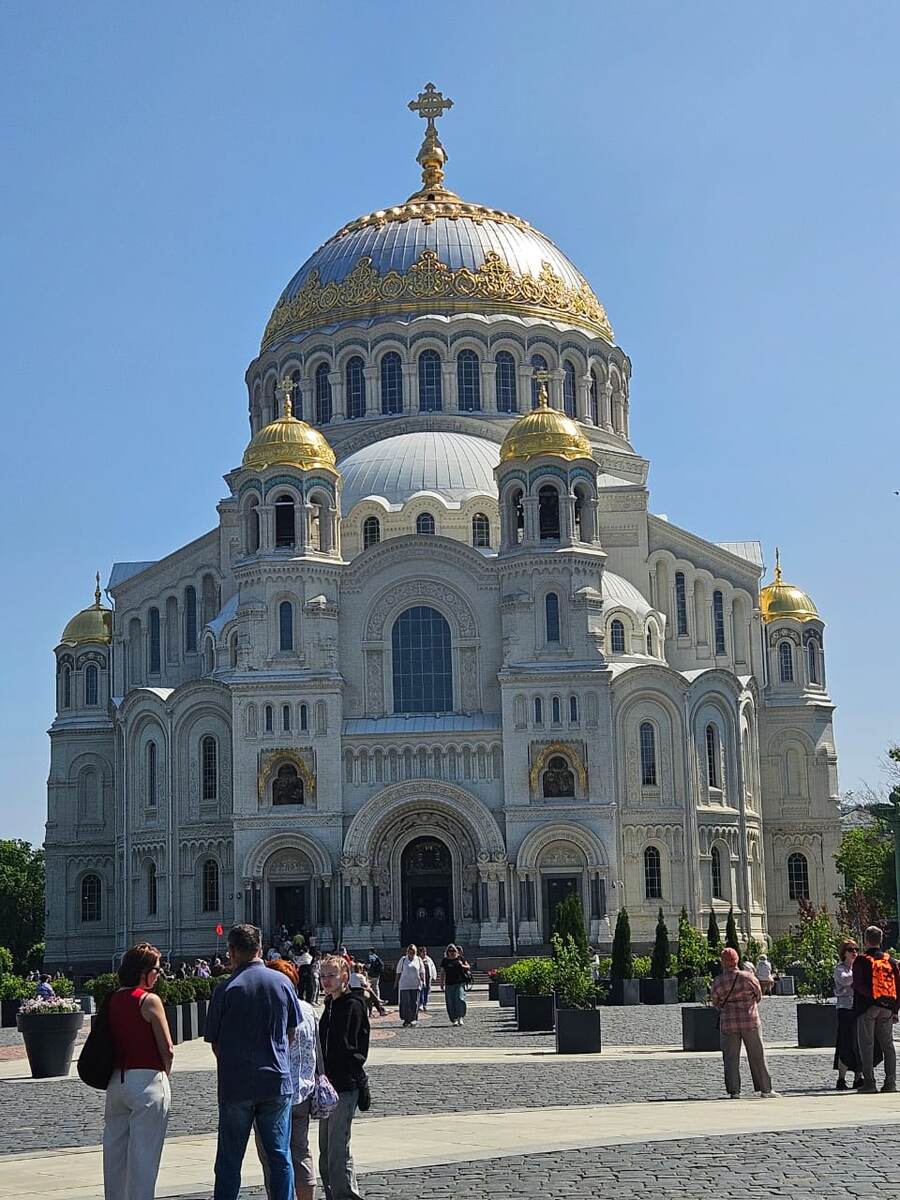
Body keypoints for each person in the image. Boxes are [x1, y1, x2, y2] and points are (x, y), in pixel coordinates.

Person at [205, 923, 300, 1200]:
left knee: (229, 1160)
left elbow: (215, 1042)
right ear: (260, 948)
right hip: (276, 1082)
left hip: (237, 1085)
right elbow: (292, 1033)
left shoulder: (226, 989)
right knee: (280, 1156)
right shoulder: (283, 983)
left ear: (232, 952)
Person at [102, 942, 173, 1200]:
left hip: (117, 1082)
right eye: (156, 968)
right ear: (143, 971)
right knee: (144, 1158)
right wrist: (165, 1074)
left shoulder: (112, 999)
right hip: (147, 1081)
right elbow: (167, 1047)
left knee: (115, 1156)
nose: (159, 973)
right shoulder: (149, 1000)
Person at [254, 960, 318, 1200]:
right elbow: (317, 1049)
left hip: (273, 1092)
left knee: (273, 1154)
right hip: (303, 1091)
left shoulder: (268, 1011)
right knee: (300, 1151)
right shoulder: (309, 1010)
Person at [318, 954, 369, 1200]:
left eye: (331, 975)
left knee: (338, 1148)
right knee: (326, 1149)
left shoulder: (353, 1005)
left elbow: (354, 1049)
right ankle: (333, 1194)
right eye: (323, 976)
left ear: (345, 976)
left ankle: (346, 1196)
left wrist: (342, 1072)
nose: (326, 981)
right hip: (327, 1087)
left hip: (345, 1085)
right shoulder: (329, 1006)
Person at [711, 947, 777, 1099]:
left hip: (728, 1023)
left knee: (730, 1058)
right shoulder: (748, 977)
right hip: (750, 1021)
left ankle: (734, 1091)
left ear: (722, 962)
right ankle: (766, 1089)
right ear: (737, 960)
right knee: (757, 1055)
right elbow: (758, 995)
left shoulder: (719, 981)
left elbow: (715, 1002)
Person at [852, 925, 899, 1094]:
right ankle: (891, 1082)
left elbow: (857, 984)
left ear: (866, 940)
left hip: (867, 1008)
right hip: (886, 1007)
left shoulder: (861, 960)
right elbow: (898, 985)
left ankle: (870, 1083)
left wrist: (872, 997)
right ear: (881, 940)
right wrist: (895, 1009)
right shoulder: (890, 961)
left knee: (867, 1045)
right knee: (888, 1045)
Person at [833, 939, 864, 1090]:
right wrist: (859, 974)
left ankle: (859, 1077)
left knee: (858, 1043)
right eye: (851, 950)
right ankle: (841, 1078)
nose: (854, 952)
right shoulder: (840, 968)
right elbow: (845, 980)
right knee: (845, 1042)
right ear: (844, 953)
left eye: (856, 949)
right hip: (845, 1008)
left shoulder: (857, 967)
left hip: (857, 1008)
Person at [440, 944, 469, 1027]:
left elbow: (468, 967)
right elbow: (442, 972)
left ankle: (460, 1017)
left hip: (460, 982)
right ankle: (454, 1019)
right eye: (450, 951)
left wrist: (462, 965)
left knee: (460, 999)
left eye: (453, 951)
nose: (452, 953)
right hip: (449, 984)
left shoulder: (460, 958)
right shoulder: (445, 960)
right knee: (450, 1001)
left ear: (456, 951)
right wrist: (441, 983)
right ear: (447, 952)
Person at [396, 944, 425, 1027]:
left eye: (413, 951)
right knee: (405, 1002)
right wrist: (396, 982)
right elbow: (398, 971)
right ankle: (406, 1019)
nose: (411, 953)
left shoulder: (418, 959)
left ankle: (413, 1019)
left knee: (415, 1003)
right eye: (410, 951)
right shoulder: (403, 959)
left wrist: (423, 982)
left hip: (415, 984)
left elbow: (422, 971)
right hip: (404, 984)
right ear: (407, 951)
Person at [419, 947, 437, 1012]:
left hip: (427, 978)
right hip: (420, 978)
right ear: (420, 952)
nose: (424, 953)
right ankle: (420, 1003)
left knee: (426, 991)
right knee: (421, 991)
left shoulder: (428, 959)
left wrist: (434, 976)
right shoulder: (418, 959)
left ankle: (425, 1004)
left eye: (425, 952)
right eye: (423, 952)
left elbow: (432, 967)